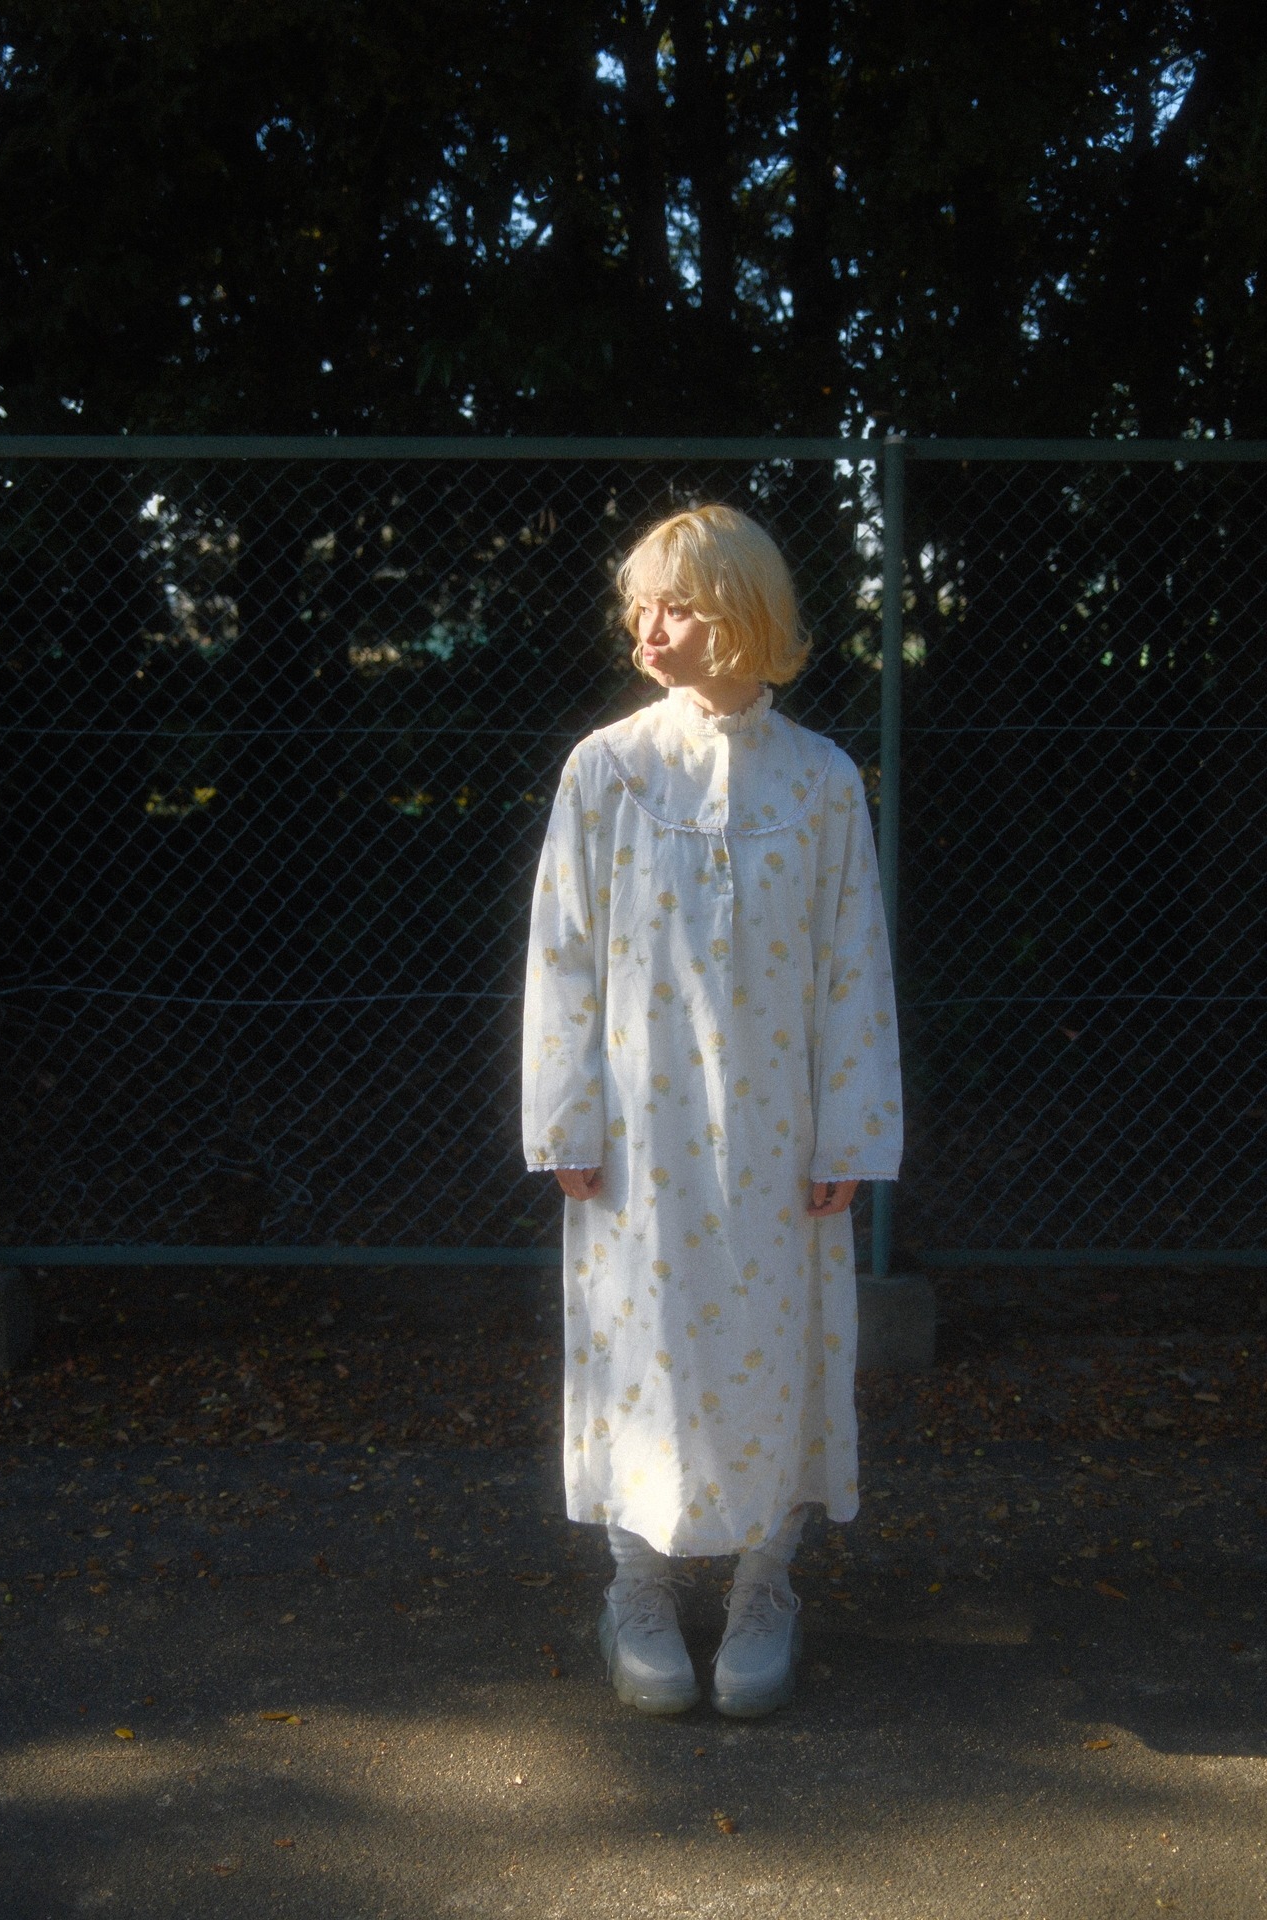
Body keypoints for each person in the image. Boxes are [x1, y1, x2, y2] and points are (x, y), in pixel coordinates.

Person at [521, 503, 901, 1717]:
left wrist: (849, 1129)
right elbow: (562, 955)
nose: (645, 627)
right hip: (639, 1139)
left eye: (673, 605)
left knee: (778, 1339)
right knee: (642, 1338)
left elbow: (853, 963)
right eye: (636, 605)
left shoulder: (822, 782)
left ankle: (762, 1583)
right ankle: (634, 1584)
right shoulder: (607, 770)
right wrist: (565, 1115)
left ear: (739, 615)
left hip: (778, 1142)